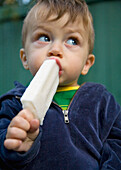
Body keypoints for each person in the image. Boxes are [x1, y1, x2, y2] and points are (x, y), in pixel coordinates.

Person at [0, 0, 121, 169]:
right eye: (44, 38)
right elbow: (4, 155)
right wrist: (17, 146)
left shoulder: (103, 102)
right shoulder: (14, 104)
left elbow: (117, 147)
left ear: (87, 63)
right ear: (25, 58)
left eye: (72, 41)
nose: (55, 49)